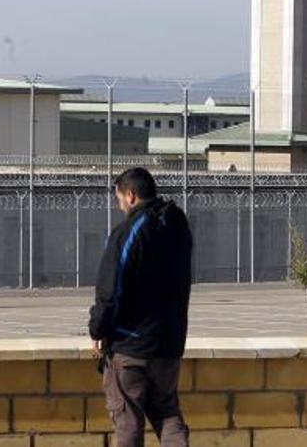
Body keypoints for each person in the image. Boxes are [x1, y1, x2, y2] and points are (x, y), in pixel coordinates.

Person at [89, 167, 194, 447]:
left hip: (131, 347)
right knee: (167, 413)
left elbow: (110, 289)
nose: (119, 205)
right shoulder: (176, 225)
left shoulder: (129, 231)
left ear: (131, 195)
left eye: (119, 198)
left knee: (128, 422)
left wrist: (98, 329)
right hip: (169, 344)